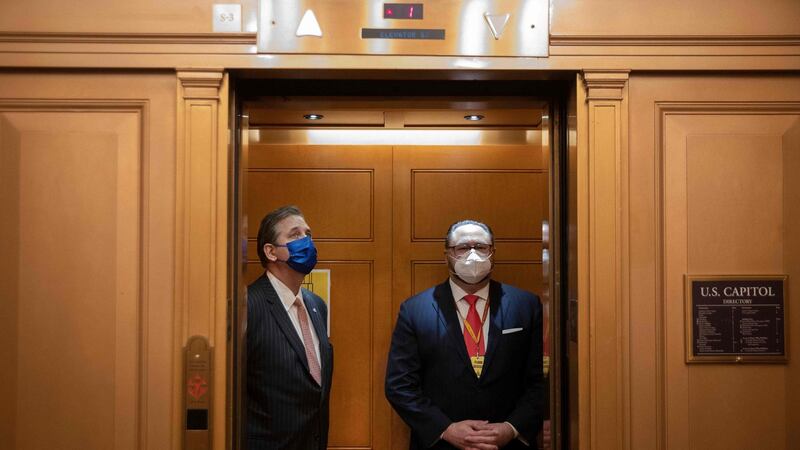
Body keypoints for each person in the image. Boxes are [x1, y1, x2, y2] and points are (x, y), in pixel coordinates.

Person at [385, 219, 544, 450]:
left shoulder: (526, 305)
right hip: (442, 444)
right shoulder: (414, 310)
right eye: (462, 248)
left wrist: (511, 428)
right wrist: (446, 429)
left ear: (493, 252)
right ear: (447, 255)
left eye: (481, 247)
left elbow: (541, 381)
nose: (473, 255)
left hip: (508, 444)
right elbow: (399, 385)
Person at [246, 205, 333, 450]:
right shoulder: (248, 305)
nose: (306, 241)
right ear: (271, 252)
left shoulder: (316, 305)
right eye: (295, 235)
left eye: (308, 234)